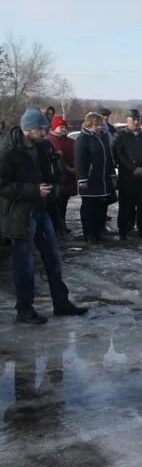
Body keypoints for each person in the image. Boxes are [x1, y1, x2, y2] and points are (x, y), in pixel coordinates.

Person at [0, 108, 88, 324]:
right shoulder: (8, 152)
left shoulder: (44, 146)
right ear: (27, 129)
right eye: (41, 128)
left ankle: (61, 303)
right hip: (20, 214)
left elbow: (55, 172)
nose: (45, 131)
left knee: (54, 259)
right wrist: (33, 190)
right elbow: (3, 185)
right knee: (25, 264)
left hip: (43, 210)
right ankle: (25, 309)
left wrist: (55, 189)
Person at [113, 109, 142, 239]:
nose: (135, 121)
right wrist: (133, 168)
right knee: (126, 206)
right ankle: (124, 230)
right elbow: (119, 155)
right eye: (132, 119)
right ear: (127, 120)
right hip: (127, 176)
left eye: (137, 119)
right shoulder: (121, 136)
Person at [74, 112, 115, 243]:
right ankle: (89, 233)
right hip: (90, 179)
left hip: (101, 178)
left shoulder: (102, 137)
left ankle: (98, 231)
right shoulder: (82, 139)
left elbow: (108, 157)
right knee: (88, 208)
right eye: (96, 125)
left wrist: (112, 173)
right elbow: (80, 160)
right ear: (89, 125)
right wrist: (82, 179)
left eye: (100, 125)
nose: (98, 128)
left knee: (100, 206)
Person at [47, 116, 77, 234]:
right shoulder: (50, 140)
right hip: (57, 176)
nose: (63, 129)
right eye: (61, 127)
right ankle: (56, 225)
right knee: (56, 203)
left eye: (65, 127)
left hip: (68, 177)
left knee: (64, 201)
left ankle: (62, 223)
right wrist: (66, 168)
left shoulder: (69, 141)